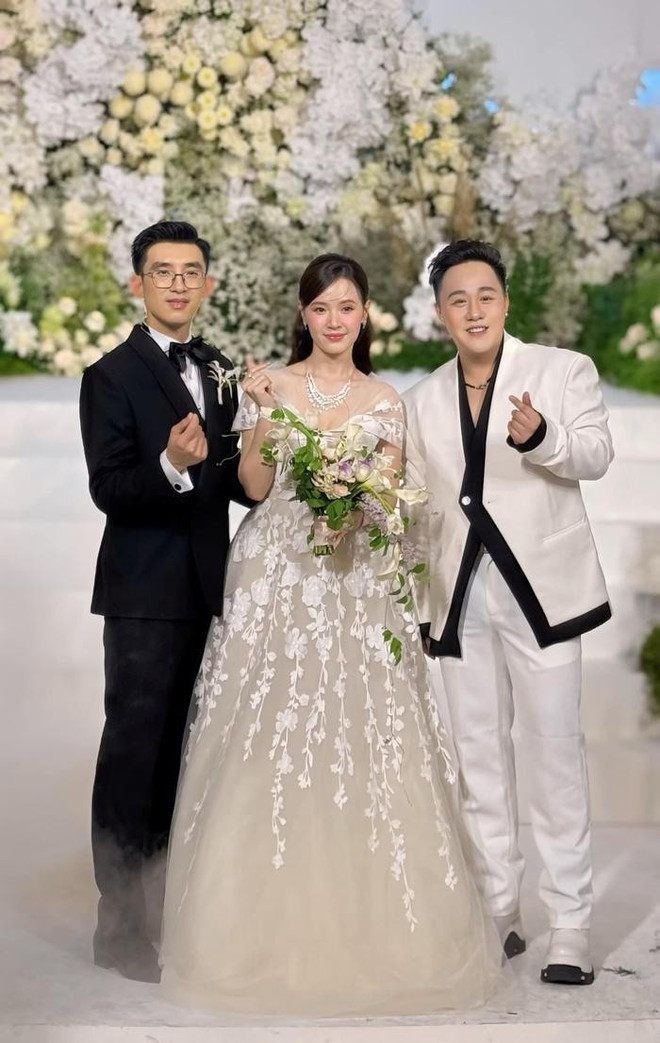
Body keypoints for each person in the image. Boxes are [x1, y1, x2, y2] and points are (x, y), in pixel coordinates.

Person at [159, 253, 502, 1015]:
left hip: (356, 581)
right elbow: (254, 487)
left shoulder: (385, 400)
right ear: (304, 315)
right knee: (269, 737)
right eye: (321, 308)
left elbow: (391, 496)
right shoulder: (272, 383)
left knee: (360, 737)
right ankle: (245, 929)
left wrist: (353, 504)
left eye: (347, 307)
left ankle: (376, 930)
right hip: (275, 574)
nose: (335, 320)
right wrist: (261, 418)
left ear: (365, 313)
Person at [403, 239, 614, 986]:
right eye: (457, 299)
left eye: (485, 295)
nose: (473, 310)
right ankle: (499, 906)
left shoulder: (562, 370)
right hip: (458, 594)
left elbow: (595, 454)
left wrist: (544, 438)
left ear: (506, 302)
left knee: (554, 752)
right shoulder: (420, 400)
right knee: (479, 757)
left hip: (544, 593)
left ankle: (572, 922)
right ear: (440, 313)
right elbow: (419, 501)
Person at [79, 220, 251, 982]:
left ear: (208, 284)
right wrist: (171, 464)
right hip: (143, 594)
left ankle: (169, 909)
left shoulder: (219, 370)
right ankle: (118, 927)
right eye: (162, 271)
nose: (177, 283)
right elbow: (109, 487)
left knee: (184, 755)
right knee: (134, 755)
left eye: (190, 272)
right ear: (137, 283)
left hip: (209, 589)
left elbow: (236, 480)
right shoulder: (110, 374)